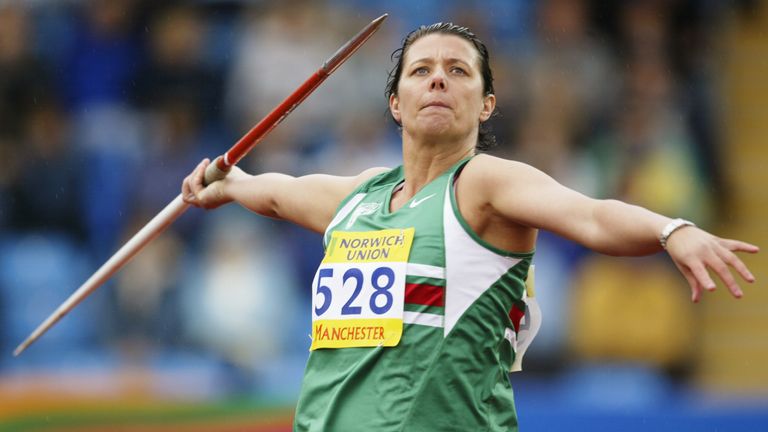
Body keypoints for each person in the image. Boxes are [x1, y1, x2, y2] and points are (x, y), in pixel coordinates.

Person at [182, 23, 758, 432]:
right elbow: (282, 194)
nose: (438, 81)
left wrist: (672, 229)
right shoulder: (360, 198)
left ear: (485, 105)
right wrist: (228, 185)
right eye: (421, 70)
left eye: (458, 71)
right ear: (395, 104)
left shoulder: (483, 185)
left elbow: (589, 214)